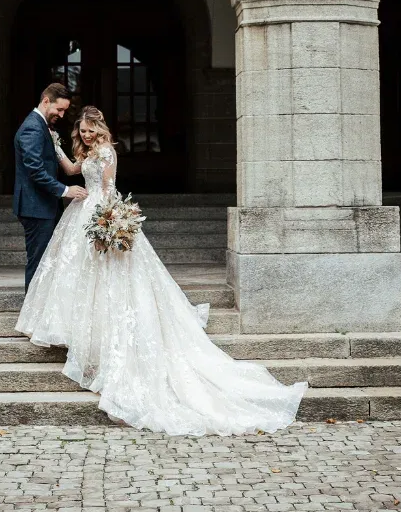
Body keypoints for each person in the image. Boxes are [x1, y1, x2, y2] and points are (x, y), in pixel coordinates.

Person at [17, 105, 307, 437]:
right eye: (81, 131)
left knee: (108, 274)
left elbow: (109, 189)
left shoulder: (108, 152)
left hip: (100, 213)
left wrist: (108, 221)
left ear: (100, 128)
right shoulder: (86, 153)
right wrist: (54, 144)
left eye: (89, 129)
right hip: (80, 211)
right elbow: (69, 169)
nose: (85, 135)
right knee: (76, 273)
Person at [14, 83, 87, 294]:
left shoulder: (43, 126)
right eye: (60, 109)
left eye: (65, 110)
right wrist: (66, 191)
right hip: (35, 207)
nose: (62, 115)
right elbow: (35, 170)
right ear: (46, 101)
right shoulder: (32, 127)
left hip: (43, 205)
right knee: (38, 263)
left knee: (47, 261)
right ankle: (30, 317)